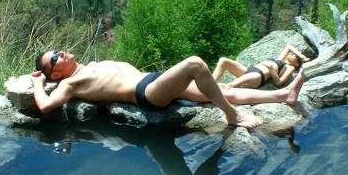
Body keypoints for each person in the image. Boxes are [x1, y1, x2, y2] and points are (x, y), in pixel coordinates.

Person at [31, 51, 305, 129]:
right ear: (55, 73)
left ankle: (282, 95)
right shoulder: (68, 83)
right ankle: (232, 115)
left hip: (153, 79)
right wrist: (36, 84)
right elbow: (45, 106)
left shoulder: (86, 66)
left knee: (220, 89)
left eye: (56, 50)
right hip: (145, 93)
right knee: (195, 64)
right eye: (55, 58)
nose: (61, 53)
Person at [213, 44, 310, 89]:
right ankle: (211, 84)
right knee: (223, 61)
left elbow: (278, 83)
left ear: (296, 64)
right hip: (249, 70)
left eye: (294, 56)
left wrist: (272, 69)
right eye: (292, 54)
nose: (291, 54)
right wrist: (301, 56)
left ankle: (214, 92)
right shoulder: (280, 59)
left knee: (230, 85)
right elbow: (289, 46)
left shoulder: (290, 68)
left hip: (258, 76)